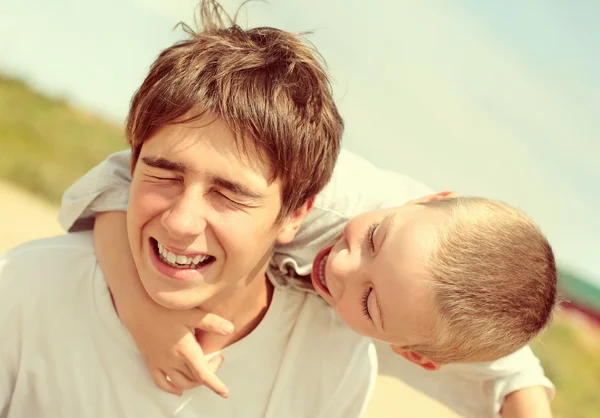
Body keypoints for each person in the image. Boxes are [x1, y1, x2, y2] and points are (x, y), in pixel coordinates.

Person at [0, 2, 378, 417]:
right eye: (164, 175)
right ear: (132, 164)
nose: (180, 222)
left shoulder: (332, 364)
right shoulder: (23, 290)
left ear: (294, 215)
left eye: (229, 194)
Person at [61, 147, 557, 418]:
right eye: (375, 239)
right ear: (427, 199)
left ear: (408, 353)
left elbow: (514, 373)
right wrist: (144, 313)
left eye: (370, 302)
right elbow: (118, 180)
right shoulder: (327, 192)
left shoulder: (423, 300)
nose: (341, 266)